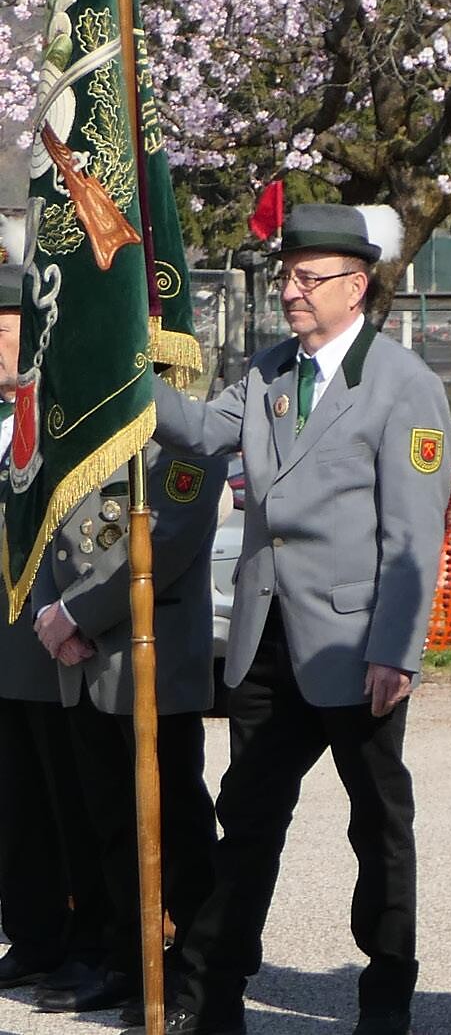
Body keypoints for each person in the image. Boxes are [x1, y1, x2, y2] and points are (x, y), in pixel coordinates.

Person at [150, 202, 451, 1035]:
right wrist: (126, 377)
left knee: (377, 825)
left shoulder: (403, 383)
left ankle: (386, 993)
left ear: (356, 287)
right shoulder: (270, 369)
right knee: (246, 818)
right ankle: (214, 993)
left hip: (357, 643)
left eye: (308, 277)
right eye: (286, 274)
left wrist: (396, 648)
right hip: (266, 638)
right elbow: (202, 429)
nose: (290, 288)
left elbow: (412, 531)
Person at [27, 441, 224, 1020]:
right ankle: (126, 960)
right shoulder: (82, 439)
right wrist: (51, 614)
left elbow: (165, 543)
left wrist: (75, 614)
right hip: (81, 658)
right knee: (109, 819)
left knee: (175, 821)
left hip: (148, 662)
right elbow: (40, 533)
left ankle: (192, 967)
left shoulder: (188, 445)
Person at [0, 261, 109, 1002]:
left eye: (2, 326)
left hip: (45, 638)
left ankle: (88, 939)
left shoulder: (58, 415)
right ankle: (33, 933)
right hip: (5, 651)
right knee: (15, 802)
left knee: (68, 797)